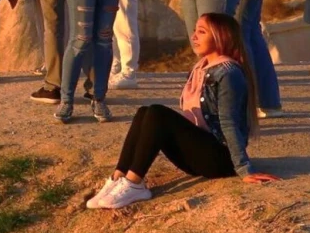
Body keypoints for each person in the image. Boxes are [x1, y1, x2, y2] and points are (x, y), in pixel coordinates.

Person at [86, 13, 276, 210]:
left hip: (220, 159)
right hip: (200, 152)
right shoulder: (201, 67)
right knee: (145, 111)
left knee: (158, 113)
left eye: (202, 32)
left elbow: (229, 122)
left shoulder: (228, 73)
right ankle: (119, 177)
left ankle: (135, 183)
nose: (194, 36)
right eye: (195, 30)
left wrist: (244, 169)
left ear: (222, 37)